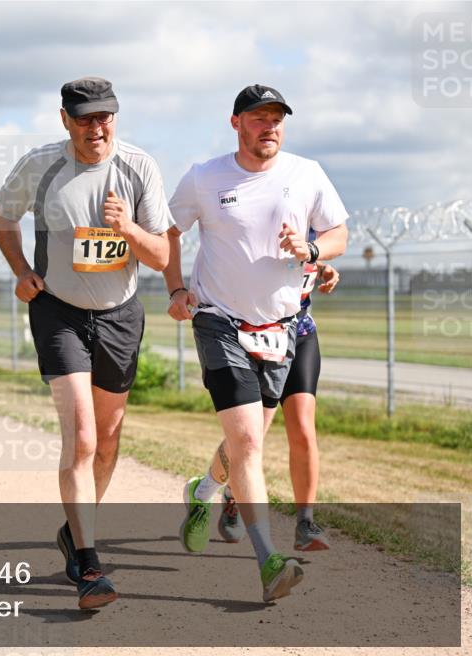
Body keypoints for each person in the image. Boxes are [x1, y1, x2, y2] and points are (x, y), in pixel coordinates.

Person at [163, 84, 349, 602]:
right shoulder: (204, 177)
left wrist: (311, 248)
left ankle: (202, 493)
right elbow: (168, 232)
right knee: (246, 441)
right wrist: (177, 288)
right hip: (219, 321)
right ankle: (269, 559)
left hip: (283, 328)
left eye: (276, 118)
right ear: (236, 122)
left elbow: (338, 233)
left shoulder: (306, 172)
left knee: (248, 439)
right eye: (258, 117)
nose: (269, 126)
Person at [0, 77, 171, 608]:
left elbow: (160, 255)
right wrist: (21, 270)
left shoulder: (139, 167)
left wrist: (128, 230)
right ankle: (90, 566)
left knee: (110, 438)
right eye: (86, 118)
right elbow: (1, 216)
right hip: (58, 311)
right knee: (84, 436)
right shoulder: (41, 164)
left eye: (105, 117)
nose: (97, 127)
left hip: (119, 314)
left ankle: (75, 530)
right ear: (64, 118)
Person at [218, 255, 341, 551]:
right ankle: (232, 495)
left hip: (300, 336)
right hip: (255, 338)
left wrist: (322, 268)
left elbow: (306, 261)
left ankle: (306, 522)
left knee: (302, 426)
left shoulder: (311, 223)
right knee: (250, 434)